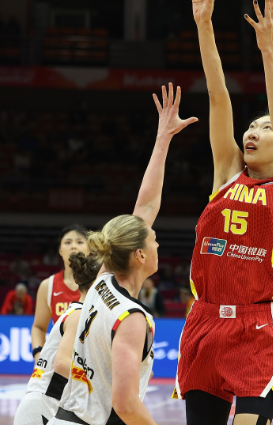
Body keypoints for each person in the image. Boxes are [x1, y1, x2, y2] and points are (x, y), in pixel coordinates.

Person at [175, 0, 273, 425]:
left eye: (263, 128)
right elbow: (218, 96)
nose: (253, 132)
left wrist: (268, 50)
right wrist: (204, 24)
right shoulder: (227, 173)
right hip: (204, 322)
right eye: (251, 126)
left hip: (256, 328)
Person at [48, 83, 197, 425]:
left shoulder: (102, 281)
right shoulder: (131, 317)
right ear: (139, 256)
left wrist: (163, 139)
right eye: (154, 240)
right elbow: (126, 405)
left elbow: (145, 208)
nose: (158, 245)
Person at [14, 252, 100, 425]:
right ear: (94, 286)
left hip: (51, 402)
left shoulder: (82, 313)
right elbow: (62, 364)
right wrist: (100, 382)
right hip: (44, 403)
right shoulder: (78, 316)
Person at [31, 225, 89, 362]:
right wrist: (38, 355)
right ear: (60, 250)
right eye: (68, 242)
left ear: (89, 249)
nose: (73, 246)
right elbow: (39, 327)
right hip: (59, 361)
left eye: (79, 242)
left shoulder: (100, 284)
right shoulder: (48, 286)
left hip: (90, 361)